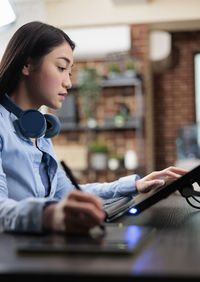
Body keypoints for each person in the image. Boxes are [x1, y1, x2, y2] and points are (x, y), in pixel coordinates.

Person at [0, 21, 187, 234]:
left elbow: (67, 192)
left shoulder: (39, 132)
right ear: (27, 65)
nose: (68, 82)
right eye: (61, 68)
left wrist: (134, 186)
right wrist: (49, 215)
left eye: (69, 72)